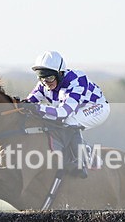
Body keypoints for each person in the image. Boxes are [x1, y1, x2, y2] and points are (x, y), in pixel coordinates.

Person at [22, 50, 109, 178]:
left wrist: (37, 108)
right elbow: (29, 102)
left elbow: (63, 113)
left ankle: (80, 161)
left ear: (60, 73)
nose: (46, 82)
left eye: (50, 77)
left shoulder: (77, 81)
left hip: (97, 108)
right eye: (42, 78)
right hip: (72, 110)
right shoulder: (43, 84)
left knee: (69, 121)